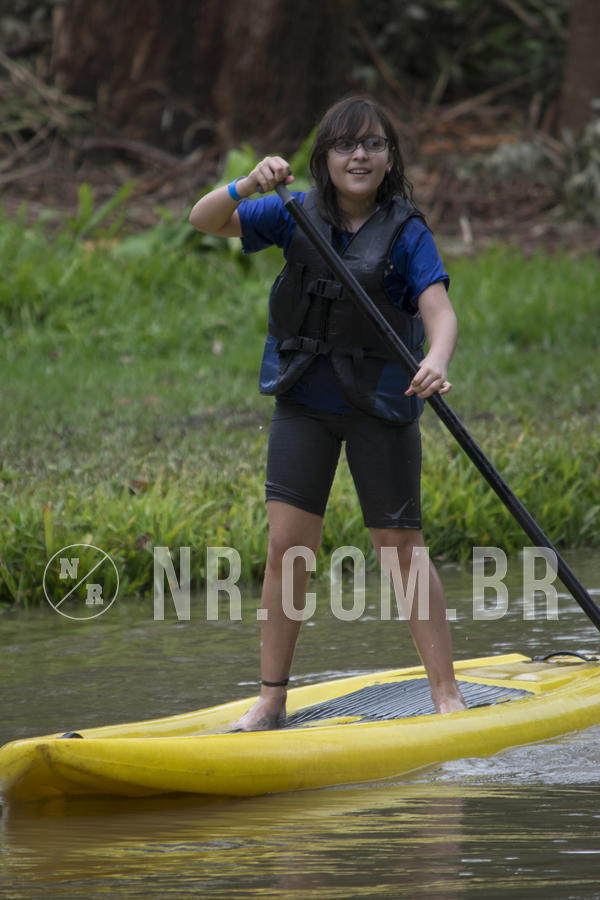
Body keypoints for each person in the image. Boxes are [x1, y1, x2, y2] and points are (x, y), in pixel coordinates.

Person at [189, 96, 467, 730]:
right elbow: (204, 219)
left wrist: (440, 358)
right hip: (305, 401)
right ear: (324, 159)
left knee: (399, 545)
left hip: (380, 404)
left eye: (372, 145)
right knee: (289, 547)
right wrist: (243, 183)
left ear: (390, 158)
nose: (359, 155)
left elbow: (439, 313)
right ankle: (270, 700)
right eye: (345, 145)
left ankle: (447, 695)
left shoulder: (406, 231)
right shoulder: (293, 213)